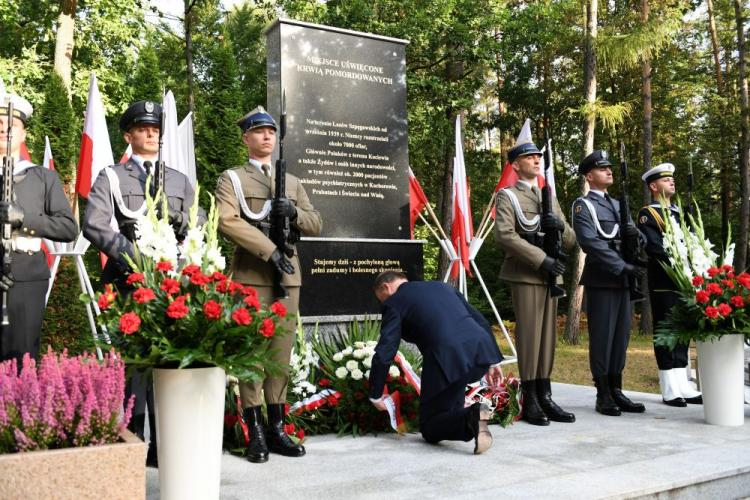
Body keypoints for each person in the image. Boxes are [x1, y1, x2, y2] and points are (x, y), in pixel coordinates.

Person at [83, 99, 204, 467]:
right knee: (134, 367)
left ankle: (163, 446)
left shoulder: (180, 180)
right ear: (129, 135)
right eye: (143, 129)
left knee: (168, 363)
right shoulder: (111, 177)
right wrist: (133, 258)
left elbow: (197, 224)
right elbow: (95, 224)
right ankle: (133, 442)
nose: (151, 134)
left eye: (155, 130)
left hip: (171, 286)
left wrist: (186, 235)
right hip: (128, 282)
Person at [215, 105, 322, 464]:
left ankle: (277, 428)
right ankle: (255, 431)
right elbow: (227, 221)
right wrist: (270, 250)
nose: (266, 137)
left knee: (280, 353)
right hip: (251, 277)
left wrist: (293, 214)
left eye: (271, 132)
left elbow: (316, 223)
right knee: (251, 355)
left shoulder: (292, 183)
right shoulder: (232, 179)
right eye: (259, 132)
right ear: (246, 138)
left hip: (288, 279)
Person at [368, 271, 503, 454]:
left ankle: (472, 415)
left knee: (430, 426)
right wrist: (493, 360)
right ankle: (471, 418)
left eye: (381, 298)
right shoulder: (442, 287)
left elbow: (386, 350)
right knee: (448, 406)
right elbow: (480, 320)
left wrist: (375, 394)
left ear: (386, 287)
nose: (382, 302)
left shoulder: (394, 302)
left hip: (445, 356)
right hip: (478, 348)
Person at [494, 137, 577, 426]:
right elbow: (505, 235)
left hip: (551, 276)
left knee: (548, 338)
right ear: (516, 165)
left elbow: (570, 239)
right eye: (529, 157)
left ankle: (545, 394)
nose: (536, 160)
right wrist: (541, 260)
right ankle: (529, 398)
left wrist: (560, 225)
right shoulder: (508, 196)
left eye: (538, 157)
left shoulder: (549, 196)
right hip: (527, 273)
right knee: (530, 337)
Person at [0, 92, 77, 364]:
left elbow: (68, 228)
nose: (3, 128)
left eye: (11, 125)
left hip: (25, 274)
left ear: (23, 134)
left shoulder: (42, 177)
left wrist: (24, 219)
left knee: (20, 359)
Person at [572, 150, 647, 417]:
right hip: (603, 279)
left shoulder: (618, 205)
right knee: (603, 336)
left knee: (621, 336)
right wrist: (620, 266)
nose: (609, 171)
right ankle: (602, 392)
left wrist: (637, 238)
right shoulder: (583, 205)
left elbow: (634, 236)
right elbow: (589, 242)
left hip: (623, 280)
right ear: (590, 176)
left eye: (610, 168)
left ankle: (617, 389)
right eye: (602, 169)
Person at [637, 163, 702, 407]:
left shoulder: (679, 212)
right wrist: (680, 257)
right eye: (666, 180)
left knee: (683, 329)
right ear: (654, 186)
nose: (672, 182)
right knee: (667, 330)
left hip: (685, 280)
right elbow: (654, 246)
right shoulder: (648, 213)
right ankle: (669, 387)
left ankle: (683, 383)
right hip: (664, 280)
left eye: (672, 179)